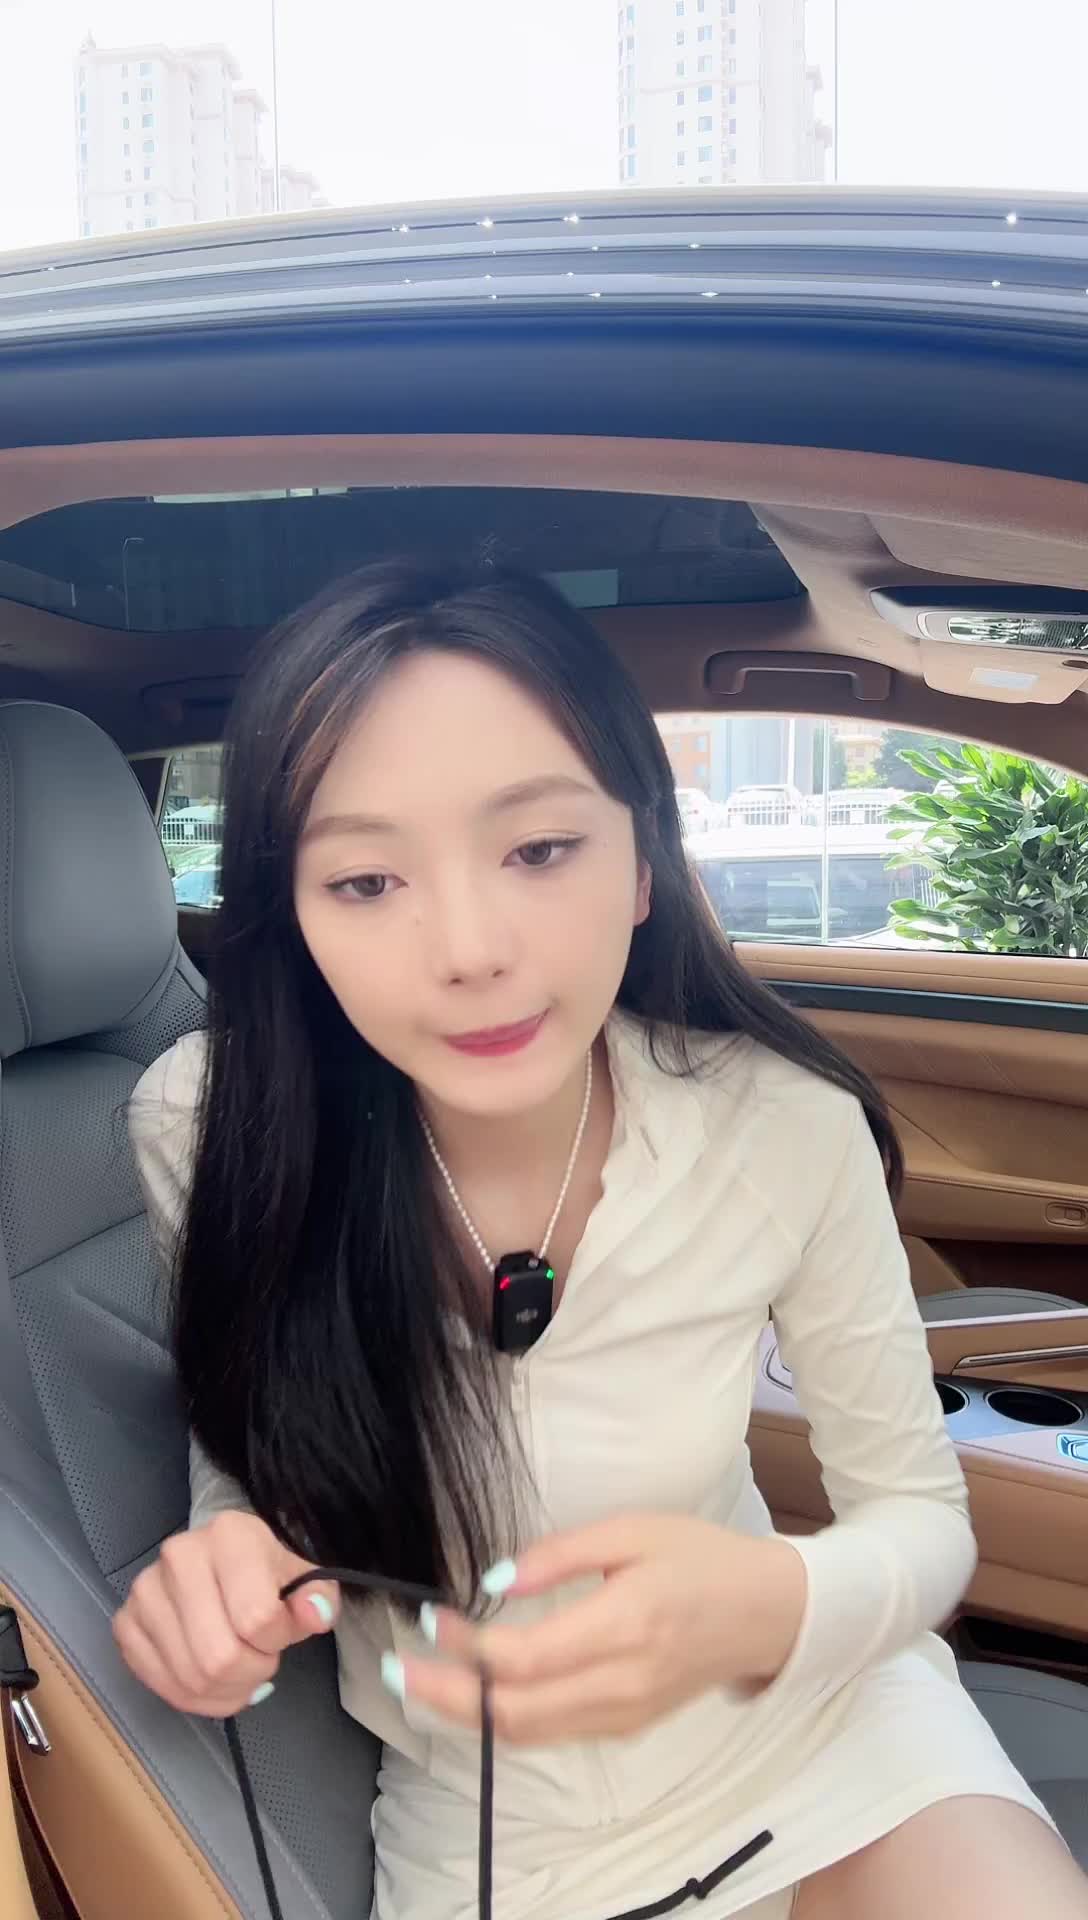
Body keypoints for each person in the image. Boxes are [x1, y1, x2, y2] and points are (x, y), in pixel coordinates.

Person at [116, 559, 1088, 1920]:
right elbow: (250, 1449)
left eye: (538, 850)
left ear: (643, 861)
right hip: (496, 1827)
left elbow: (919, 1523)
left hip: (829, 1742)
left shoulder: (782, 1127)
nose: (469, 949)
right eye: (367, 879)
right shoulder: (209, 1123)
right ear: (296, 915)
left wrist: (767, 1600)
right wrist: (223, 1572)